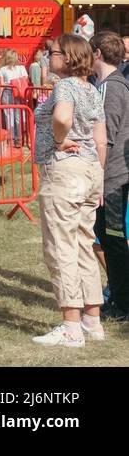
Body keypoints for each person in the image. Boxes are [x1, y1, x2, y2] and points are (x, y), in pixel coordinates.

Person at [28, 34, 106, 347]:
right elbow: (101, 139)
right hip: (89, 171)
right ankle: (92, 320)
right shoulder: (91, 89)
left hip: (64, 170)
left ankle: (71, 326)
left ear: (68, 56)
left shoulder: (66, 86)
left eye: (53, 52)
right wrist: (97, 172)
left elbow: (61, 117)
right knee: (84, 244)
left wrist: (59, 140)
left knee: (61, 247)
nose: (49, 57)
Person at [91, 32, 129, 321]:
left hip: (112, 177)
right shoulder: (109, 85)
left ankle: (122, 303)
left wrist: (99, 178)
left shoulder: (111, 87)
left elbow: (107, 136)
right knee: (107, 238)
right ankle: (118, 296)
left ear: (98, 54)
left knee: (113, 240)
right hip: (113, 174)